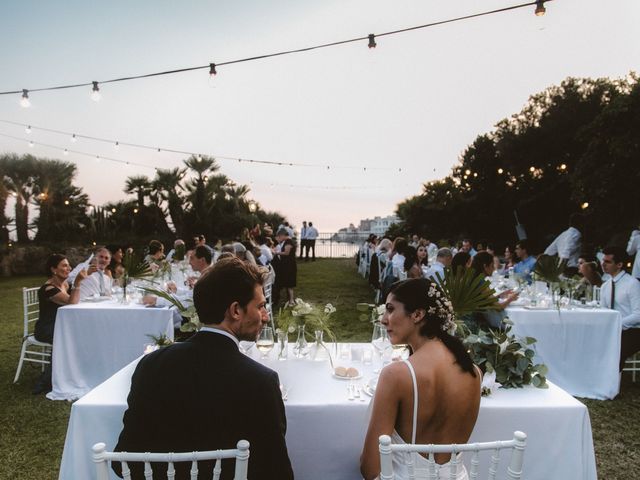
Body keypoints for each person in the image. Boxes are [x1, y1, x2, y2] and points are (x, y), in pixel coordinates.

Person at [113, 258, 294, 480]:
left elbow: (124, 460)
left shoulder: (151, 364)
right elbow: (276, 472)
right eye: (260, 306)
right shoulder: (260, 381)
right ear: (236, 310)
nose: (265, 316)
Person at [360, 278, 481, 480]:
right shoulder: (474, 372)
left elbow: (370, 469)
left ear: (417, 314)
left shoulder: (396, 375)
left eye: (390, 309)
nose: (383, 319)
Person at [32, 254, 89, 394]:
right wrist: (78, 283)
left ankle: (73, 373)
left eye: (69, 265)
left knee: (83, 334)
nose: (68, 268)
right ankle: (45, 381)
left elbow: (76, 300)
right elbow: (72, 302)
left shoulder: (65, 285)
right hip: (46, 329)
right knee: (66, 340)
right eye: (64, 265)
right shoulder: (48, 289)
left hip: (61, 327)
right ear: (53, 270)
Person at [599, 246, 640, 371]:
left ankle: (612, 387)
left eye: (608, 262)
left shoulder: (632, 284)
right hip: (614, 330)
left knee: (615, 350)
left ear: (619, 264)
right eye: (603, 261)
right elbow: (604, 311)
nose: (603, 264)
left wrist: (617, 324)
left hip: (633, 330)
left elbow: (638, 314)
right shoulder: (606, 286)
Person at [272, 228, 297, 307]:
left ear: (283, 235)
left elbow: (286, 253)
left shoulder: (288, 242)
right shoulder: (286, 242)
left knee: (289, 284)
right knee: (288, 283)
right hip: (287, 265)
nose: (279, 238)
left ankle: (291, 301)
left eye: (280, 236)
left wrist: (276, 253)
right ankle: (289, 300)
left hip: (290, 265)